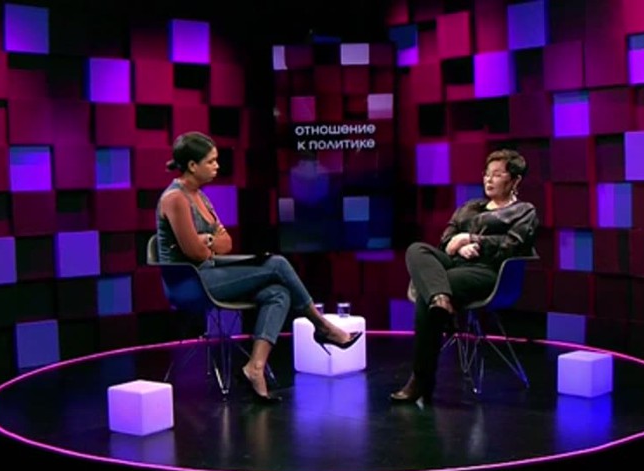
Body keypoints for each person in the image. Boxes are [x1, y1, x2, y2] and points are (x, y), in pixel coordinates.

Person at [157, 131, 363, 403]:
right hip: (189, 283)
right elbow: (194, 252)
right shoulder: (175, 198)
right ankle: (322, 326)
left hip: (210, 271)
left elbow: (226, 243)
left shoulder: (201, 197)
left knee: (279, 293)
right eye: (211, 161)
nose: (217, 166)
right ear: (193, 166)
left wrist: (207, 241)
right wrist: (208, 242)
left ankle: (254, 367)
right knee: (277, 263)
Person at [391, 149, 540, 403]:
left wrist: (472, 239)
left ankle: (420, 379)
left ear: (515, 180)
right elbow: (445, 241)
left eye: (497, 174)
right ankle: (441, 299)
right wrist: (458, 246)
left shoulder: (524, 211)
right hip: (453, 263)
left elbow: (514, 245)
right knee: (417, 250)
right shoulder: (470, 207)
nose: (489, 179)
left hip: (488, 272)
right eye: (486, 174)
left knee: (428, 292)